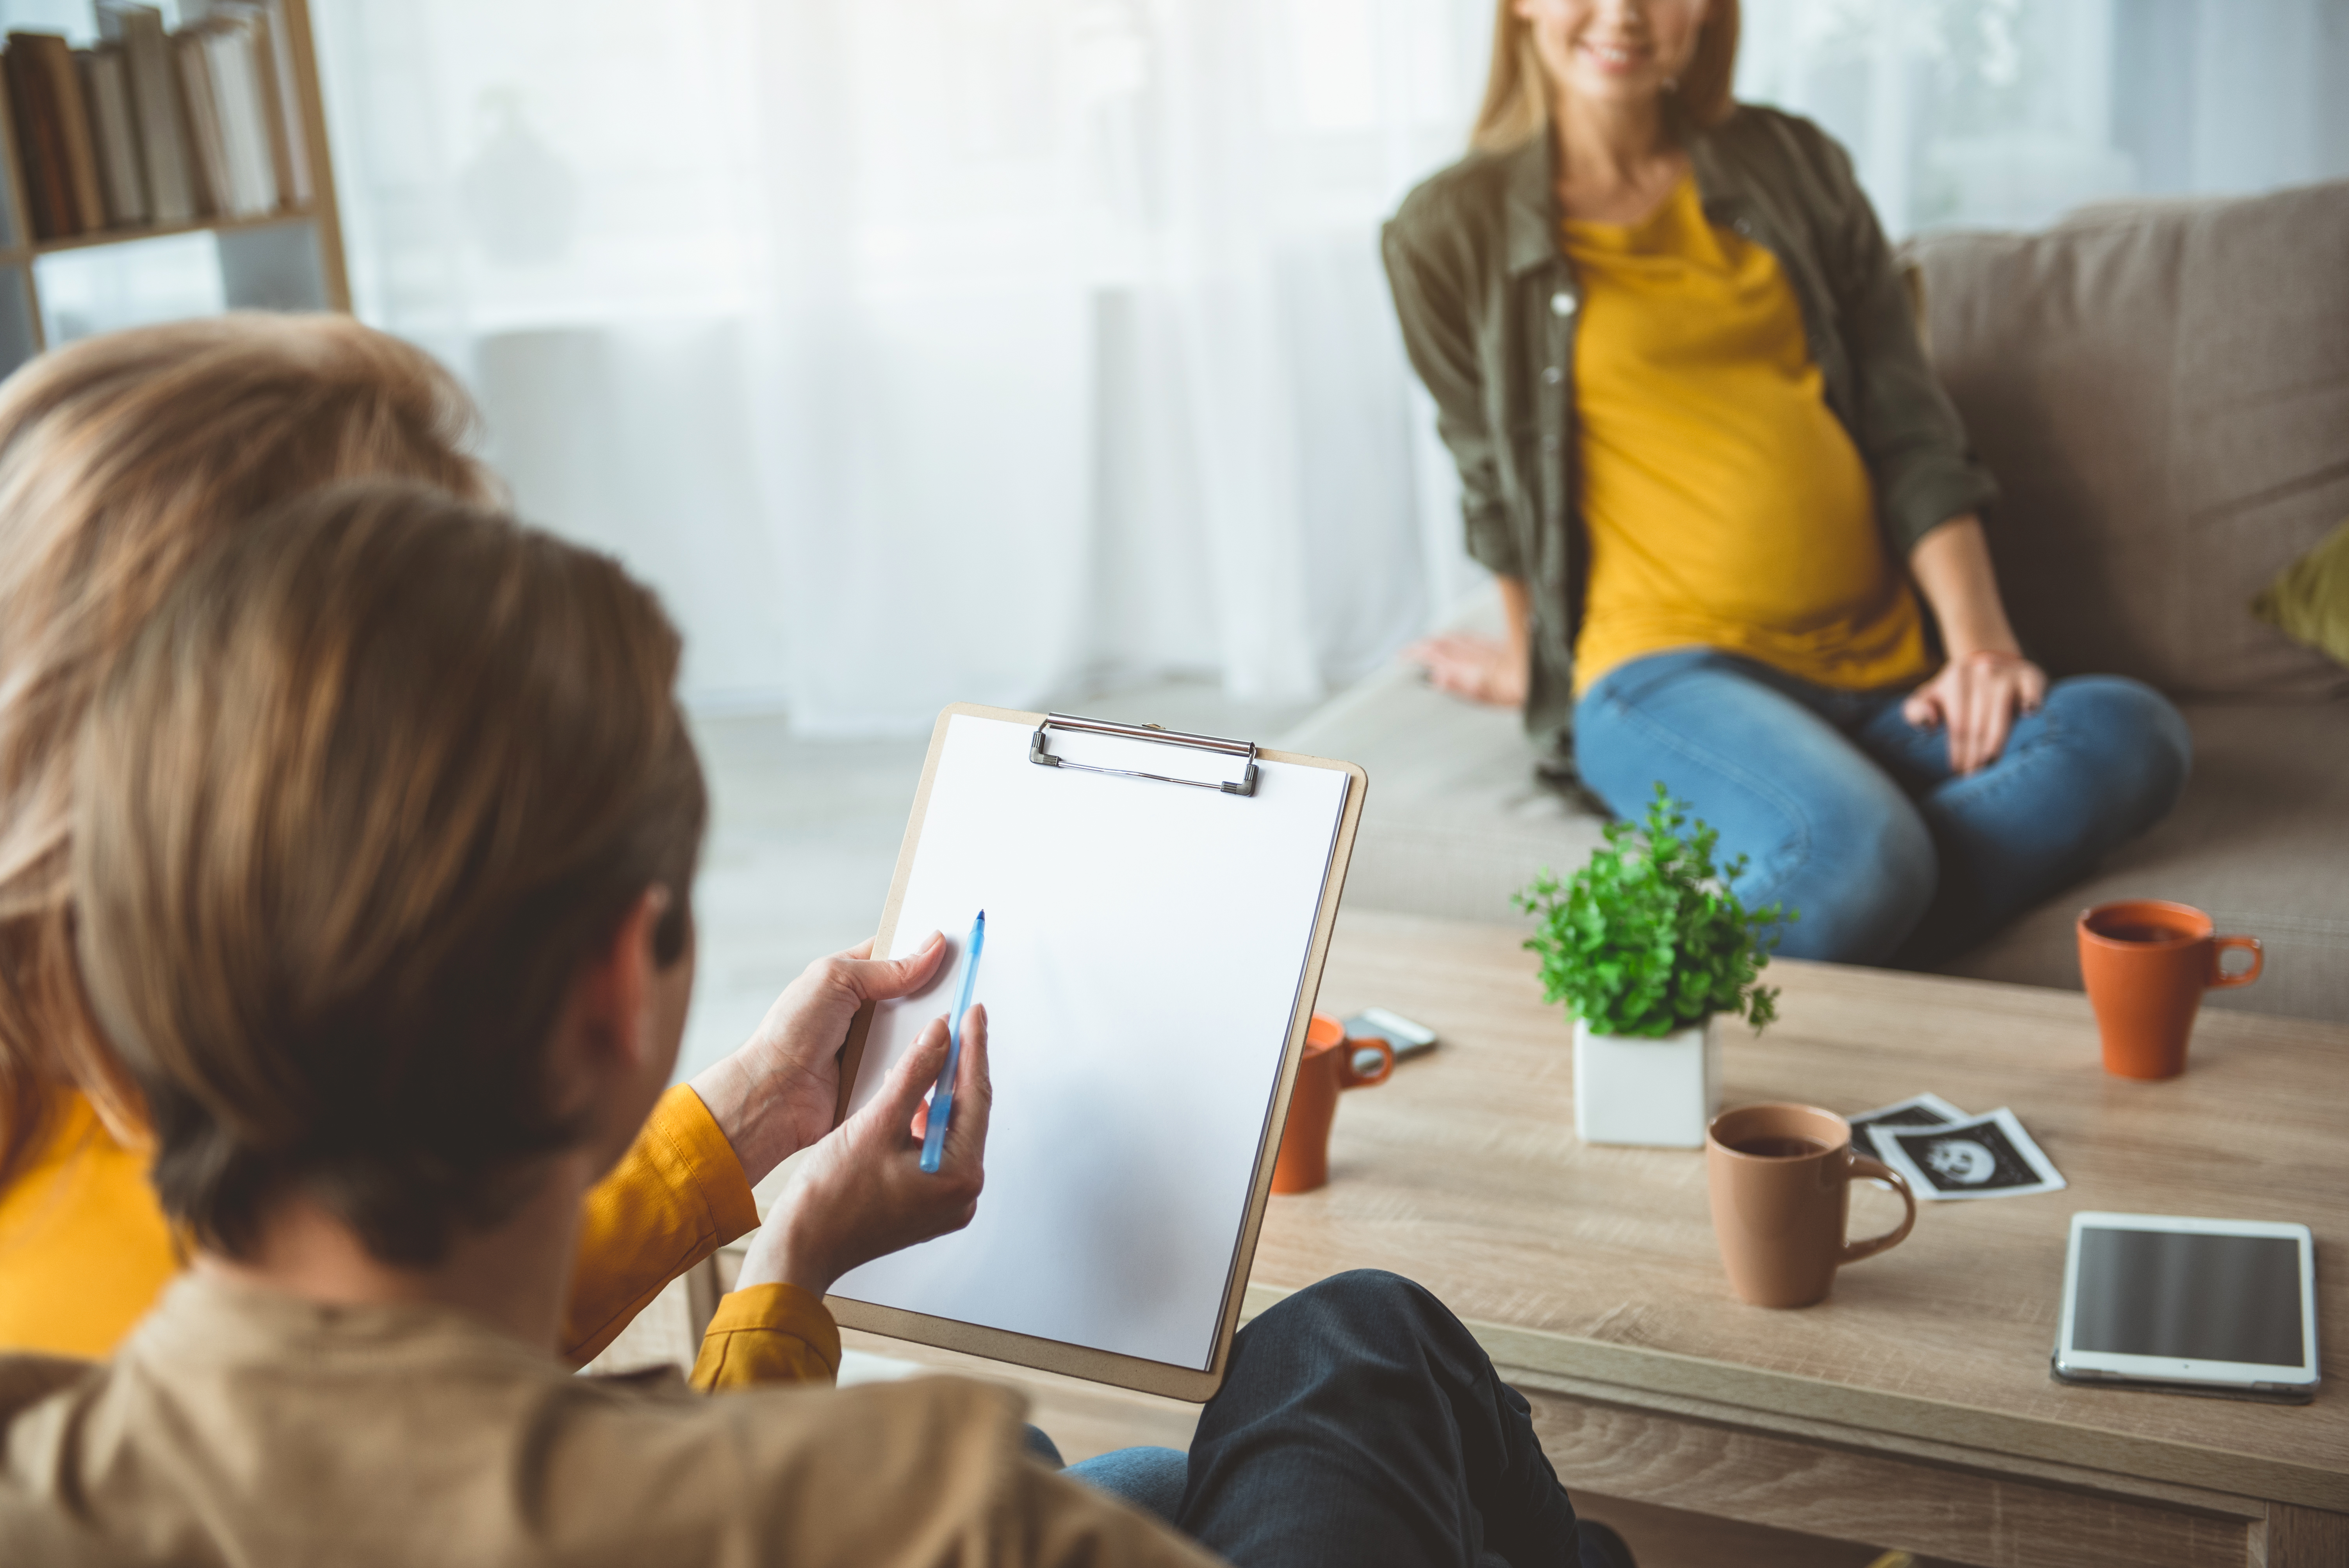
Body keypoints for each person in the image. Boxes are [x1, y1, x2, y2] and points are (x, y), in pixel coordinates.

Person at [0, 482, 1630, 1568]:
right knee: (1348, 1340)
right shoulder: (931, 1512)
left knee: (1121, 1462)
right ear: (618, 987)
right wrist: (787, 1297)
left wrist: (776, 1254)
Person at [0, 316, 963, 1376]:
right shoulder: (183, 1330)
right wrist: (787, 1273)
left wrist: (743, 1123)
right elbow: (642, 1519)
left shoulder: (111, 1083)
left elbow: (437, 1322)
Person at [1385, 0, 2191, 964]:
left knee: (2128, 733)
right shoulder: (1446, 229)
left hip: (1886, 677)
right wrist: (1533, 668)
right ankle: (1746, 965)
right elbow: (1490, 480)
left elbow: (1909, 427)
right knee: (1853, 845)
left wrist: (1979, 647)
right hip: (1667, 675)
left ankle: (1861, 911)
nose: (1623, 15)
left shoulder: (1791, 163)